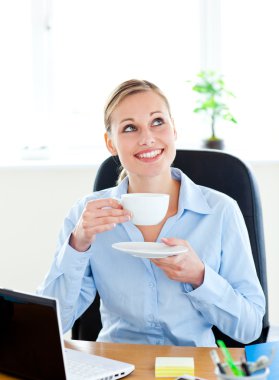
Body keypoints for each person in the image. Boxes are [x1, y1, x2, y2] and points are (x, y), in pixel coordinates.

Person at [37, 79, 265, 346]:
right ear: (111, 143)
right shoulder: (86, 216)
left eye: (157, 122)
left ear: (174, 130)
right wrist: (77, 244)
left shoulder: (221, 211)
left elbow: (250, 328)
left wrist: (200, 277)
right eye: (130, 128)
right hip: (116, 364)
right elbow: (51, 326)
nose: (147, 138)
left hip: (193, 367)